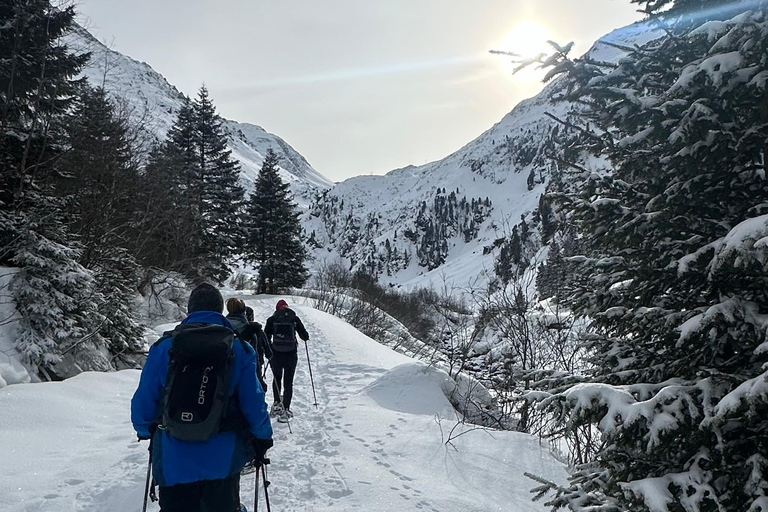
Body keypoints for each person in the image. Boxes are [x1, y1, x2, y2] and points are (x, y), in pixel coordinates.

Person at [132, 283, 273, 512]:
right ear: (219, 310)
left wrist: (144, 429)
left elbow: (143, 406)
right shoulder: (240, 348)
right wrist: (263, 437)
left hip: (173, 461)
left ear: (190, 309)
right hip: (223, 460)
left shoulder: (164, 347)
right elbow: (254, 404)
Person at [264, 299, 309, 422]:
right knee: (288, 381)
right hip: (291, 354)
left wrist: (268, 351)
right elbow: (305, 336)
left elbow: (265, 336)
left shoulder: (272, 319)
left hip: (276, 354)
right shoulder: (294, 319)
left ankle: (277, 403)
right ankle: (286, 409)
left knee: (277, 378)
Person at [225, 298, 272, 391]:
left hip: (226, 377)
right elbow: (255, 359)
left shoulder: (222, 327)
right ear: (243, 311)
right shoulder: (252, 329)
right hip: (247, 377)